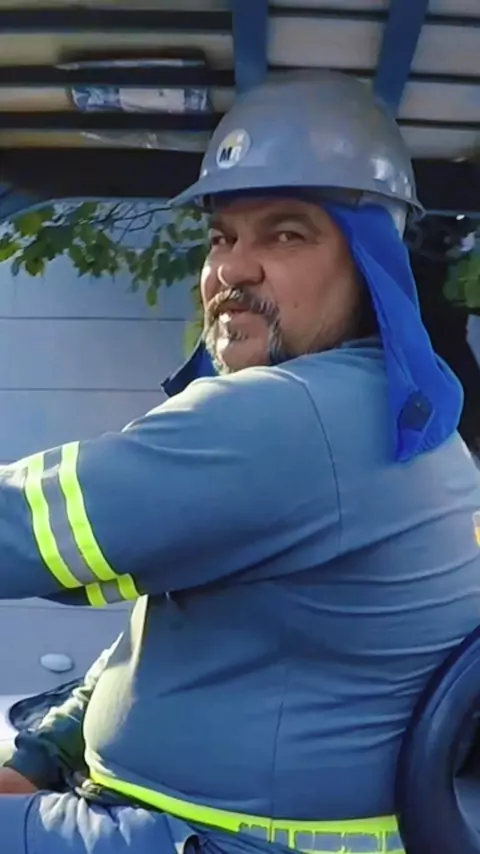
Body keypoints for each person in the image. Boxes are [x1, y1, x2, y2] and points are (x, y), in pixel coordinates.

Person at [0, 70, 479, 854]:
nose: (232, 269)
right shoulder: (385, 409)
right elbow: (175, 631)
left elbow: (17, 531)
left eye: (285, 235)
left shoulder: (297, 416)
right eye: (222, 237)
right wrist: (42, 754)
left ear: (372, 261)